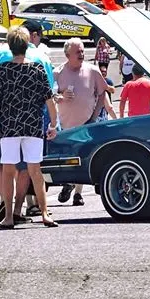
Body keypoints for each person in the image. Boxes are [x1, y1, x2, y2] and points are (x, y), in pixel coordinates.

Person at [0, 27, 58, 229]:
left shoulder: (3, 70)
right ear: (27, 45)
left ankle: (9, 216)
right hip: (33, 124)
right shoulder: (37, 69)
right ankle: (44, 213)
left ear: (10, 47)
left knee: (9, 170)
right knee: (35, 170)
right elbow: (49, 100)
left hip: (10, 125)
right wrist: (53, 124)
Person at [54, 38, 111, 206]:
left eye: (82, 51)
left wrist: (94, 117)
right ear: (67, 55)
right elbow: (50, 95)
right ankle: (69, 183)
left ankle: (78, 193)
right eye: (78, 52)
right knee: (67, 158)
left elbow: (102, 93)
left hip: (86, 122)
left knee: (83, 157)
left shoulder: (92, 71)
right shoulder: (57, 73)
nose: (82, 54)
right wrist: (60, 96)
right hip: (64, 125)